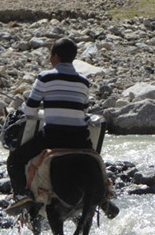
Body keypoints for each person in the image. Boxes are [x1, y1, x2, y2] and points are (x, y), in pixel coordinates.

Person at [6, 37, 94, 212]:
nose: (49, 59)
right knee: (94, 159)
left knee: (15, 160)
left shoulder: (45, 77)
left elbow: (30, 110)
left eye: (50, 54)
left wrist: (24, 108)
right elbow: (83, 111)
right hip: (80, 139)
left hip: (53, 137)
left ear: (55, 56)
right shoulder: (84, 82)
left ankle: (22, 195)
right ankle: (104, 195)